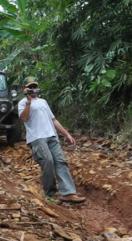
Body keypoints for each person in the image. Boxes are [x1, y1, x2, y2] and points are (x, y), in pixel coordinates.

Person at [17, 76, 86, 204]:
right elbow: (24, 118)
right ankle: (50, 194)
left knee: (60, 161)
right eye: (30, 87)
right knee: (48, 161)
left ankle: (68, 193)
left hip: (51, 135)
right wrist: (28, 102)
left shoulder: (43, 101)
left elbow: (53, 119)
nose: (33, 89)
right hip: (37, 138)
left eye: (34, 86)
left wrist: (66, 134)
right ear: (25, 89)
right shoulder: (22, 103)